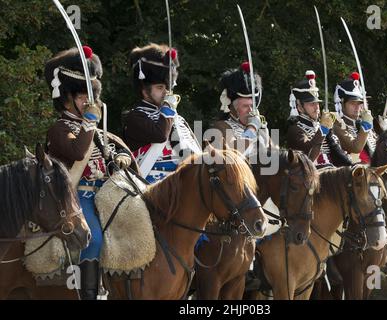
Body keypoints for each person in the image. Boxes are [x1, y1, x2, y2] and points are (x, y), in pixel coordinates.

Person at [44, 46, 133, 299]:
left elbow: (108, 156)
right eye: (82, 97)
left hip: (105, 193)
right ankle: (90, 295)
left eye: (90, 97)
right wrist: (90, 123)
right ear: (66, 98)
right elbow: (76, 151)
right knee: (91, 239)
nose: (88, 102)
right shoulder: (60, 128)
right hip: (76, 196)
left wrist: (120, 158)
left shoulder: (93, 129)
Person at [123, 43, 201, 183]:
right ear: (144, 90)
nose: (166, 92)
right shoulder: (134, 117)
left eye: (167, 87)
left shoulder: (176, 118)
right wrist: (167, 110)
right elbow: (159, 135)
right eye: (160, 87)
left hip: (181, 182)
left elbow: (192, 152)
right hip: (148, 185)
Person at [286, 70, 351, 168]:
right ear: (299, 107)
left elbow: (340, 160)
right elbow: (308, 159)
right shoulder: (295, 130)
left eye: (317, 103)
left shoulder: (321, 127)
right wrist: (323, 130)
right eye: (312, 104)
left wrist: (330, 137)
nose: (317, 108)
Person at [213, 62, 272, 157]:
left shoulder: (257, 128)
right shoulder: (221, 126)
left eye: (252, 105)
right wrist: (252, 127)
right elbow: (236, 152)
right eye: (245, 106)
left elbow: (274, 156)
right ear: (232, 108)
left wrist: (264, 132)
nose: (250, 110)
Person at [333, 72, 377, 164]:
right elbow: (356, 148)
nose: (357, 108)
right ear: (341, 103)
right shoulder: (337, 125)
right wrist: (365, 127)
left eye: (359, 103)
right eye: (352, 103)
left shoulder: (360, 124)